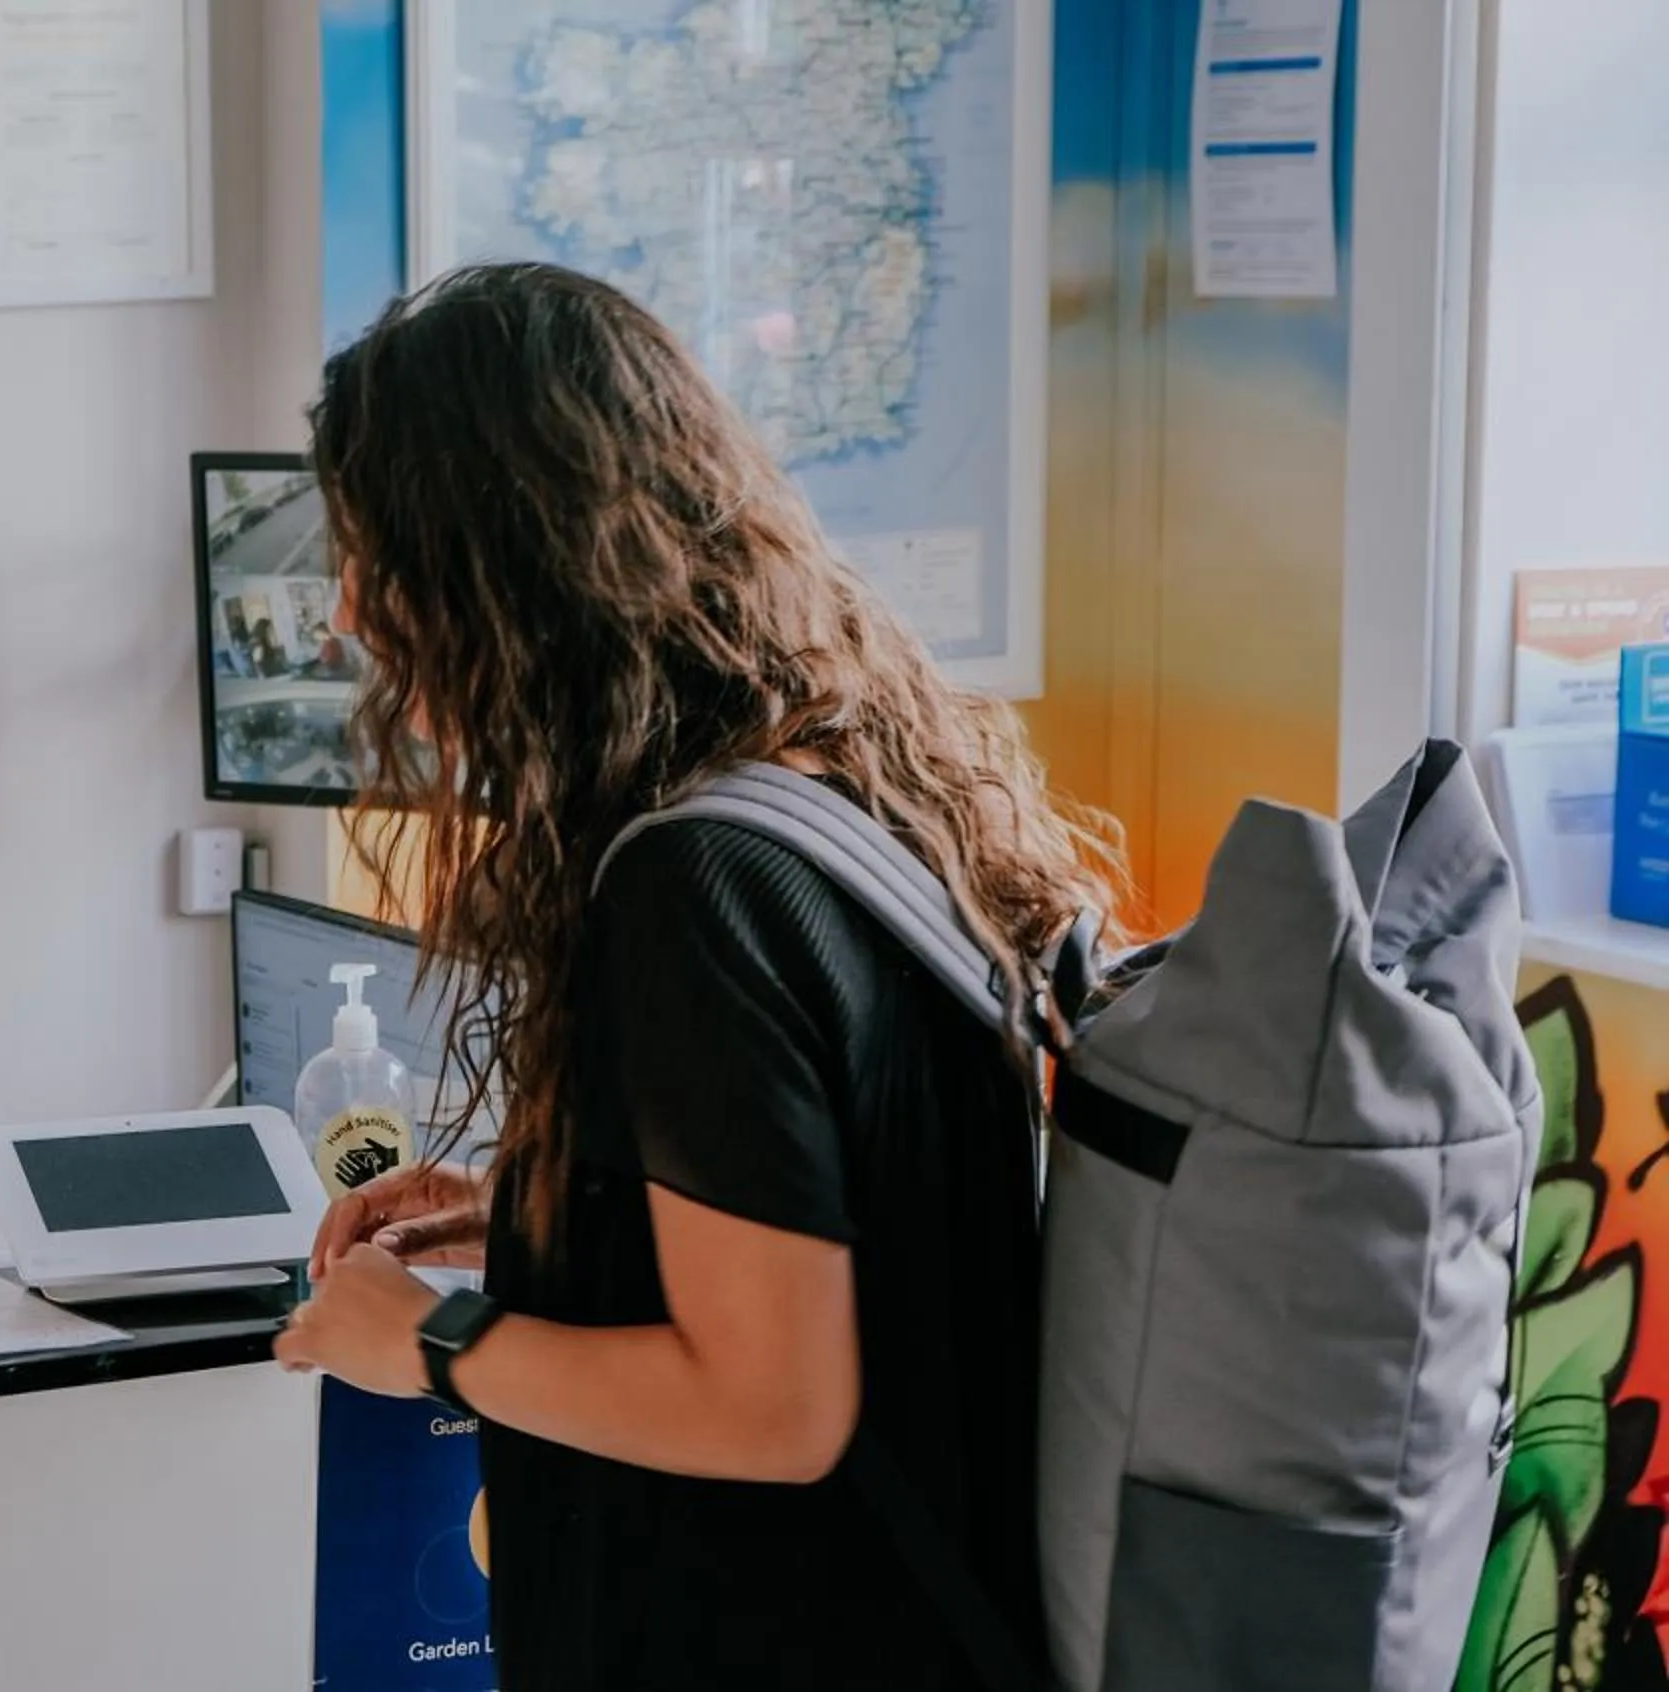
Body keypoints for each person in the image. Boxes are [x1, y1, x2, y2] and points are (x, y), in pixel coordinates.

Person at [273, 265, 1126, 1689]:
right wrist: (548, 1215)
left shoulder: (691, 887)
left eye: (382, 555)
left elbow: (775, 1405)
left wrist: (432, 1340)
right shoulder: (839, 792)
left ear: (511, 559)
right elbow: (860, 1222)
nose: (353, 613)